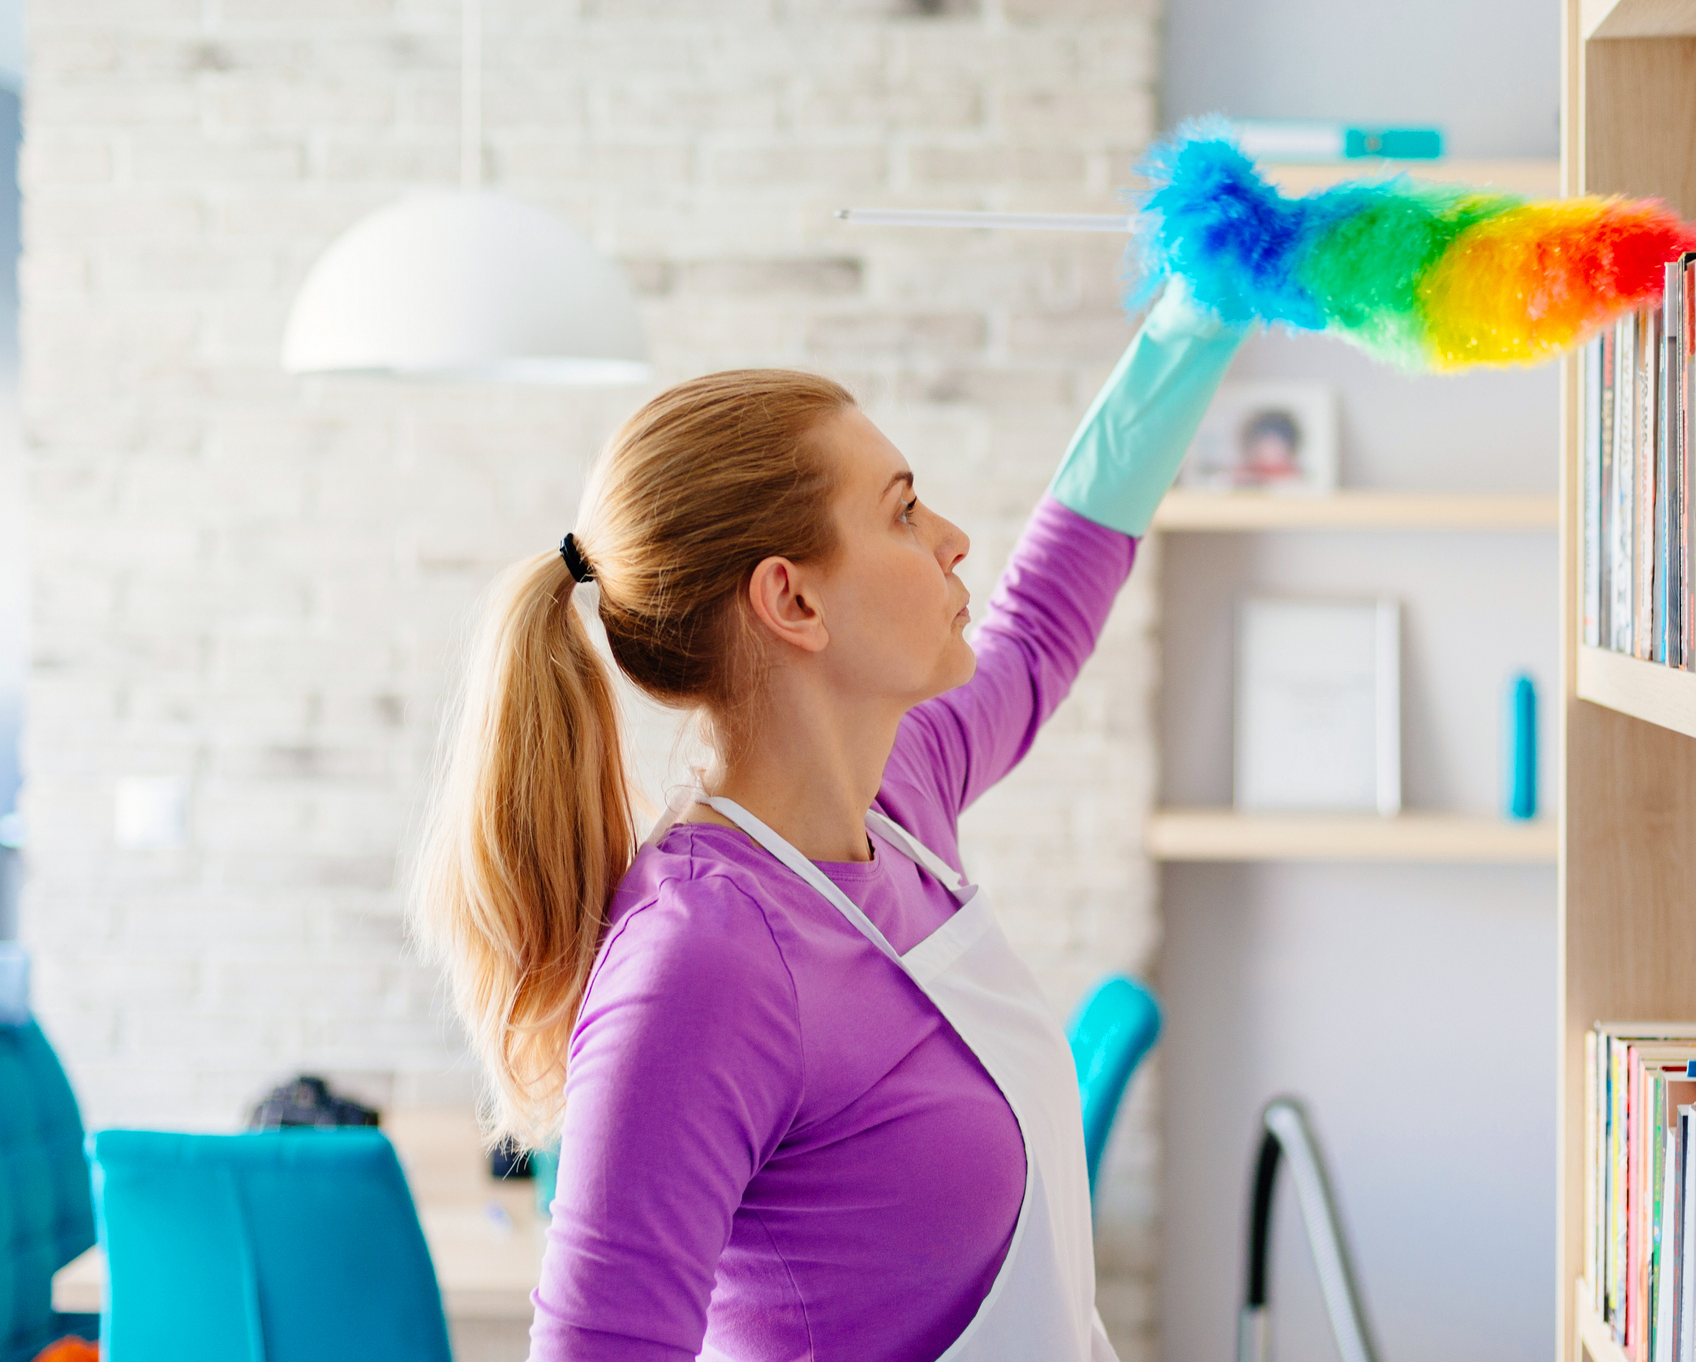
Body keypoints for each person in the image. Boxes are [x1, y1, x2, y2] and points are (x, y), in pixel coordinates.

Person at [413, 285, 1247, 1362]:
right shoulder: (701, 959)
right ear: (791, 600)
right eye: (902, 510)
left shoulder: (900, 799)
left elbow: (1039, 628)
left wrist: (1198, 318)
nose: (952, 540)